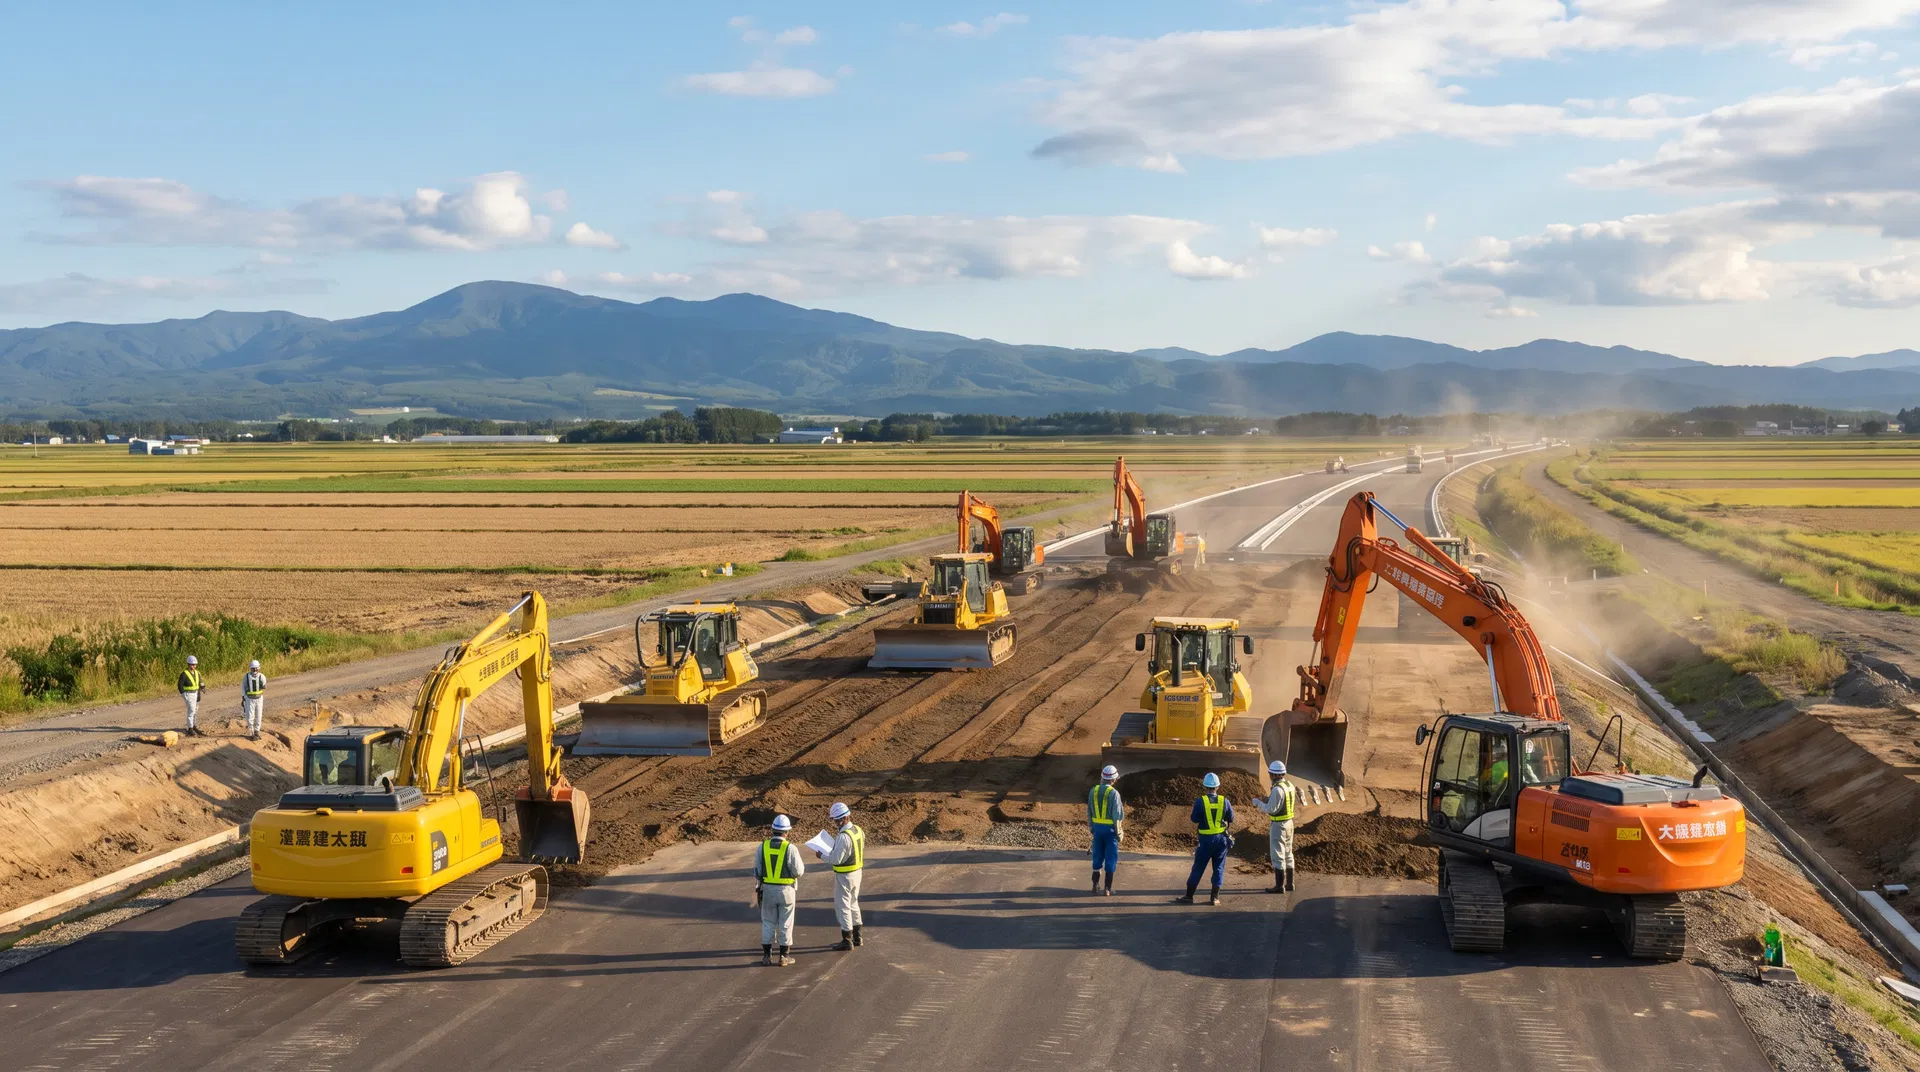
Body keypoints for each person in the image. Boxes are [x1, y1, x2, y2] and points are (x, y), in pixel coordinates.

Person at [1177, 772, 1235, 906]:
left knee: (1198, 868)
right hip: (1221, 840)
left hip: (1205, 841)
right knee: (1219, 868)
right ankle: (1214, 898)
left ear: (1204, 786)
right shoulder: (1224, 801)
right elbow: (1231, 818)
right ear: (1218, 787)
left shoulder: (1200, 801)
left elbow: (1194, 819)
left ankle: (1189, 896)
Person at [754, 814, 805, 966]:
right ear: (787, 832)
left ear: (772, 830)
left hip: (767, 890)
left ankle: (766, 956)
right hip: (786, 891)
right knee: (786, 923)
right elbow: (798, 871)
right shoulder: (791, 848)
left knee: (768, 922)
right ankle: (784, 956)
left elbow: (757, 871)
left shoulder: (762, 846)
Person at [816, 801, 865, 950]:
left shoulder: (843, 837)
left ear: (842, 819)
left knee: (843, 906)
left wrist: (822, 855)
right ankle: (857, 937)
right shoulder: (858, 830)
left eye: (835, 820)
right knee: (853, 903)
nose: (834, 823)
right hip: (857, 872)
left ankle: (847, 940)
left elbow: (836, 860)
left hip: (845, 875)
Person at [1255, 760, 1298, 893]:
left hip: (1279, 825)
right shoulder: (1289, 785)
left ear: (1273, 775)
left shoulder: (1277, 789)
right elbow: (1283, 802)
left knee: (1278, 855)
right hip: (1289, 823)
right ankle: (1290, 884)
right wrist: (1269, 799)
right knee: (1288, 853)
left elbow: (1271, 809)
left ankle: (1279, 886)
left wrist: (1257, 803)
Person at [1087, 764, 1124, 896]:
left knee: (1097, 857)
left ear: (1102, 777)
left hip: (1097, 830)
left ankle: (1095, 885)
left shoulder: (1093, 791)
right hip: (1110, 832)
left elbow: (1089, 812)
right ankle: (1107, 889)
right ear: (1114, 779)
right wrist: (1119, 833)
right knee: (1111, 858)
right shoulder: (1114, 794)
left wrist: (1092, 829)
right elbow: (1117, 816)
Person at [177, 655, 204, 736]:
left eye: (195, 664)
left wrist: (203, 686)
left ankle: (194, 726)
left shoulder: (197, 672)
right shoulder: (184, 674)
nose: (193, 666)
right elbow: (179, 685)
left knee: (195, 711)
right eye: (192, 664)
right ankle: (190, 728)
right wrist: (183, 694)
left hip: (196, 693)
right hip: (189, 694)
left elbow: (200, 682)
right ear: (188, 664)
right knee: (191, 711)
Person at [241, 660, 267, 740]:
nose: (255, 670)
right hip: (249, 699)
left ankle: (257, 731)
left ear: (258, 668)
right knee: (250, 716)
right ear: (250, 669)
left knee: (258, 715)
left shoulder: (262, 676)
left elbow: (264, 686)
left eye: (256, 668)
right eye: (253, 669)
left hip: (259, 699)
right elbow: (243, 687)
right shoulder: (246, 676)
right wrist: (244, 697)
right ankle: (251, 733)